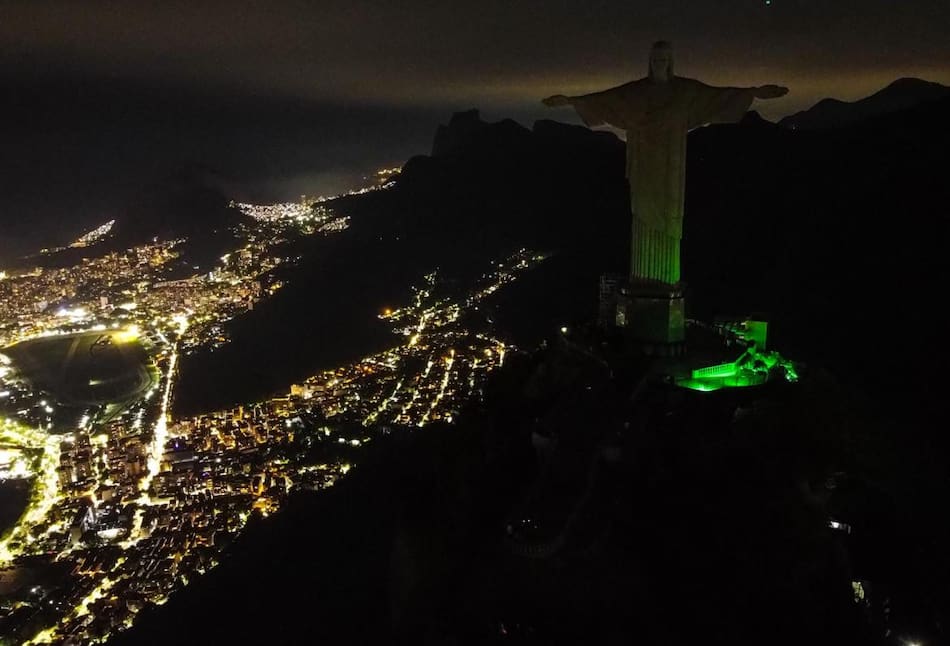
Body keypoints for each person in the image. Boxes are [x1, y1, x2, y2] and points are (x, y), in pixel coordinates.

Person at [543, 41, 788, 285]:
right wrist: (571, 100)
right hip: (644, 162)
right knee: (643, 212)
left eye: (663, 59)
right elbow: (606, 99)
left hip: (672, 162)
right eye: (655, 59)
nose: (659, 63)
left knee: (668, 215)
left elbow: (719, 96)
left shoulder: (686, 91)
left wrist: (753, 93)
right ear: (649, 62)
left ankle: (663, 281)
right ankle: (644, 281)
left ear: (670, 62)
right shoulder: (636, 92)